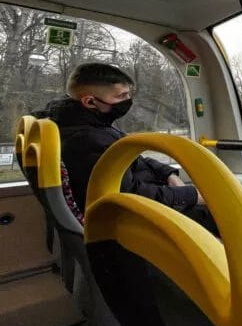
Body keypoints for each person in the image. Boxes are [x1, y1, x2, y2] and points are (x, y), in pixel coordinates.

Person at [33, 62, 218, 236]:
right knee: (219, 217)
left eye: (128, 95)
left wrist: (169, 174)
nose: (128, 101)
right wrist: (189, 195)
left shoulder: (92, 123)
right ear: (89, 102)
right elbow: (128, 195)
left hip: (144, 201)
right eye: (121, 96)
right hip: (132, 220)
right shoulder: (87, 139)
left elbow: (134, 158)